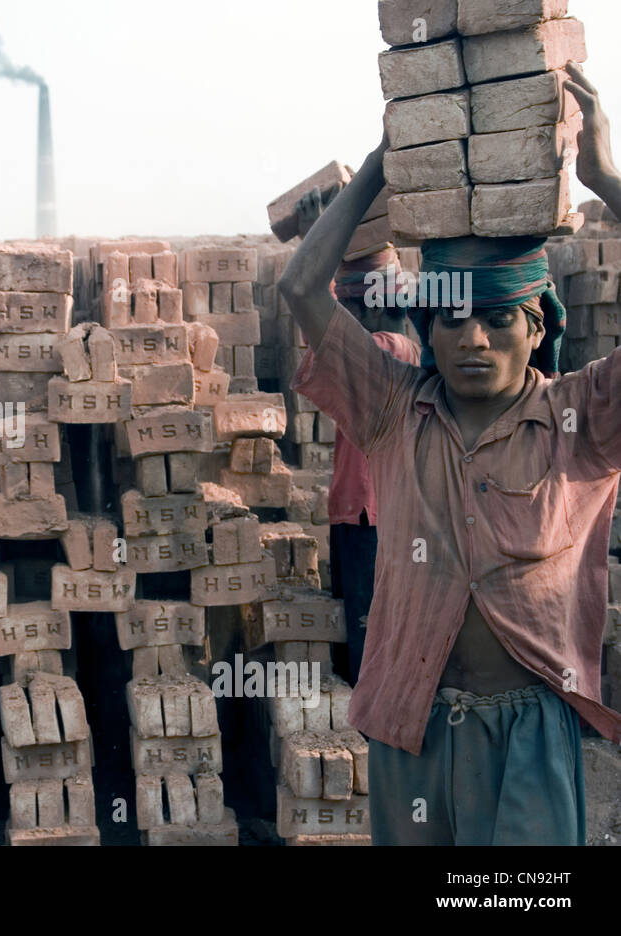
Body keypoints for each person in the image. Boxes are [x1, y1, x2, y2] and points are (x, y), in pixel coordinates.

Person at [276, 61, 621, 845]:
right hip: (416, 725)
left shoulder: (585, 418)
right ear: (426, 329)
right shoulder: (393, 409)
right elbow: (300, 291)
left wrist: (603, 175)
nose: (474, 339)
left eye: (500, 319)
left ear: (538, 326)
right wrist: (376, 171)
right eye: (454, 319)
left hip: (531, 730)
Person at [296, 188, 422, 684]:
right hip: (370, 510)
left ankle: (372, 725)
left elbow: (323, 336)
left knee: (368, 634)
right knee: (367, 624)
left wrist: (316, 241)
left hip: (369, 515)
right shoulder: (409, 349)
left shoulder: (385, 351)